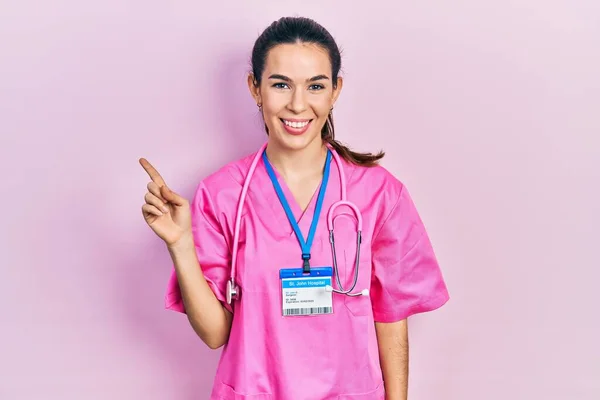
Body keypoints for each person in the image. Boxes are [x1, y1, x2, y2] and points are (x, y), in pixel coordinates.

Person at [139, 16, 449, 400]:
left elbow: (391, 318)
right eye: (281, 84)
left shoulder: (378, 193)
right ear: (255, 89)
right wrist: (181, 243)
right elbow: (215, 333)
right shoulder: (222, 195)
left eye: (315, 86)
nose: (298, 105)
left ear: (335, 91)